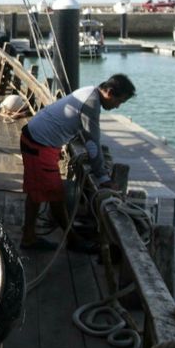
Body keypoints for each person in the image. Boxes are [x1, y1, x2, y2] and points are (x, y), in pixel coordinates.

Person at [19, 74, 136, 251]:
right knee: (55, 195)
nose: (118, 106)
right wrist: (103, 177)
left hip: (37, 139)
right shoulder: (91, 103)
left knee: (37, 193)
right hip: (39, 145)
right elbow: (92, 143)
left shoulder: (89, 91)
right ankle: (71, 240)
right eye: (119, 101)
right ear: (110, 92)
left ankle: (29, 237)